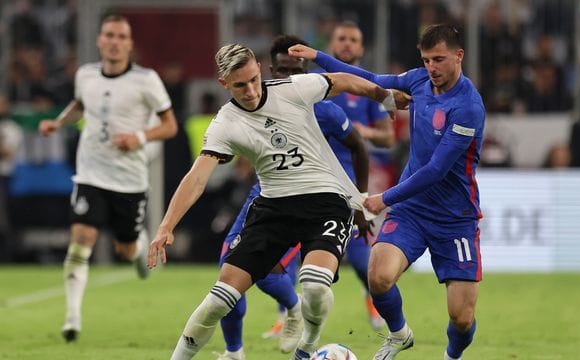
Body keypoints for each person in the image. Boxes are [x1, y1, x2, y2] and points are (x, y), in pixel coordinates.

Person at [147, 43, 404, 360]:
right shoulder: (225, 122)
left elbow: (344, 80)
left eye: (254, 79)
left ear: (259, 68)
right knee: (218, 299)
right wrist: (166, 226)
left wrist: (385, 96)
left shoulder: (292, 89)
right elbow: (196, 178)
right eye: (240, 85)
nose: (251, 90)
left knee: (313, 285)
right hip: (273, 208)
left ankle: (307, 346)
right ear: (224, 84)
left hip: (326, 201)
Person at [290, 23, 485, 360]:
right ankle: (399, 333)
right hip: (412, 211)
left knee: (462, 318)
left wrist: (384, 199)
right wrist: (318, 57)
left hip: (455, 218)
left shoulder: (468, 107)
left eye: (439, 59)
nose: (432, 68)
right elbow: (372, 80)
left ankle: (452, 355)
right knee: (379, 277)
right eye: (426, 60)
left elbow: (436, 171)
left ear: (459, 56)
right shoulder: (419, 80)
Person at [214, 34, 371, 360]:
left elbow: (359, 146)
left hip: (325, 200)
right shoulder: (255, 106)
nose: (291, 78)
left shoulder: (323, 110)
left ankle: (385, 324)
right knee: (231, 265)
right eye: (284, 70)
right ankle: (238, 348)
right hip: (270, 198)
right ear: (271, 69)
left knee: (360, 270)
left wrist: (360, 199)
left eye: (298, 70)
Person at [38, 14, 178, 342]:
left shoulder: (146, 80)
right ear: (100, 40)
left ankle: (139, 245)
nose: (114, 42)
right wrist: (58, 123)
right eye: (109, 35)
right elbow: (79, 105)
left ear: (129, 44)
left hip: (129, 179)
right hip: (90, 173)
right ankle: (72, 317)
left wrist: (139, 138)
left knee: (125, 249)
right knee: (82, 238)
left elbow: (169, 125)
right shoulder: (85, 75)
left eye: (121, 36)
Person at [322, 21, 395, 330]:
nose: (348, 44)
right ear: (331, 45)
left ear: (362, 48)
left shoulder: (368, 89)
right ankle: (286, 314)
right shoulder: (317, 81)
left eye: (354, 39)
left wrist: (361, 130)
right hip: (314, 174)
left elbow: (389, 138)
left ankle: (375, 299)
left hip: (352, 180)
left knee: (359, 250)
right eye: (342, 39)